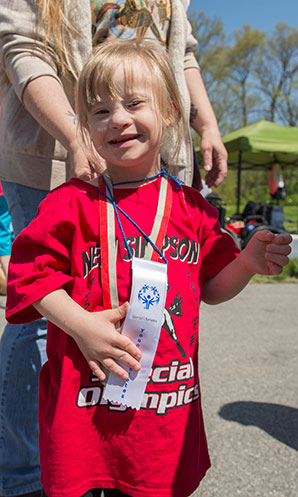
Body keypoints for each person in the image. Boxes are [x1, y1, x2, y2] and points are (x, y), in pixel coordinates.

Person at [5, 39, 292, 497]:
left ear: (171, 112)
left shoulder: (193, 209)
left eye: (134, 103)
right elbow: (30, 278)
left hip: (163, 422)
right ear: (84, 126)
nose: (117, 118)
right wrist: (81, 326)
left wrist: (248, 262)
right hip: (83, 415)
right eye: (99, 111)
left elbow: (212, 287)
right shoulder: (68, 205)